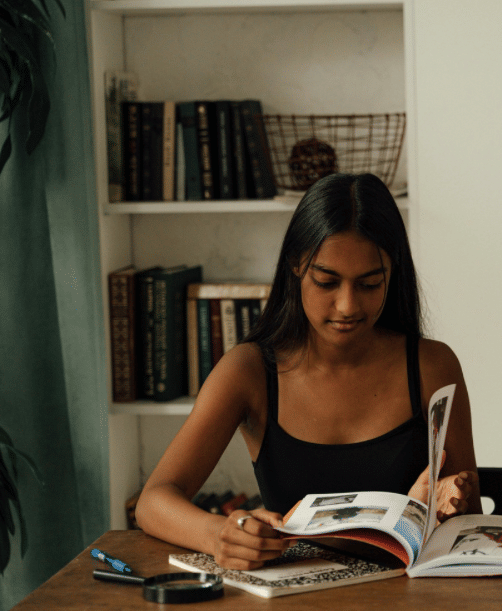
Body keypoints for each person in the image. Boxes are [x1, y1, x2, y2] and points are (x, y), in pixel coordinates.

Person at [135, 173, 481, 569]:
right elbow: (153, 501)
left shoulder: (431, 366)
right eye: (327, 281)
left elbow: (468, 524)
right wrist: (219, 535)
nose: (347, 305)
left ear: (392, 271)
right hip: (290, 595)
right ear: (296, 266)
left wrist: (446, 503)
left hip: (405, 595)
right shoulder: (250, 371)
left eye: (370, 284)